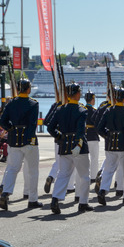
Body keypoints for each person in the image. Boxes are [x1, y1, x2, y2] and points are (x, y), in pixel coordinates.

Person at [47, 83, 93, 214]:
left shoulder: (60, 109)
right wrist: (78, 144)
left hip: (64, 146)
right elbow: (80, 130)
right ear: (77, 94)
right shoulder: (82, 110)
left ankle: (55, 199)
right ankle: (83, 203)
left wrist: (60, 137)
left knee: (63, 174)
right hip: (78, 148)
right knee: (84, 176)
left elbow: (50, 127)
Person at [0, 79, 42, 210]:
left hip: (13, 140)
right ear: (28, 89)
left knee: (12, 168)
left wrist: (11, 129)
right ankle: (32, 199)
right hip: (29, 141)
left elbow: (2, 121)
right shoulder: (33, 103)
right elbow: (33, 124)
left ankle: (6, 192)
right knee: (33, 171)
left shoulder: (11, 102)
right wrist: (27, 139)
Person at [97, 87, 124, 206]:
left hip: (110, 145)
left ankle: (103, 191)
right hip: (123, 145)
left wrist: (107, 136)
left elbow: (99, 128)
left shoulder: (108, 110)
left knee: (108, 170)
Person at [84, 90, 100, 183]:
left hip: (85, 136)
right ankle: (93, 176)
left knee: (85, 158)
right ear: (92, 100)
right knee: (94, 158)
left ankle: (86, 174)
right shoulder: (94, 111)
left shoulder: (82, 109)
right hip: (93, 136)